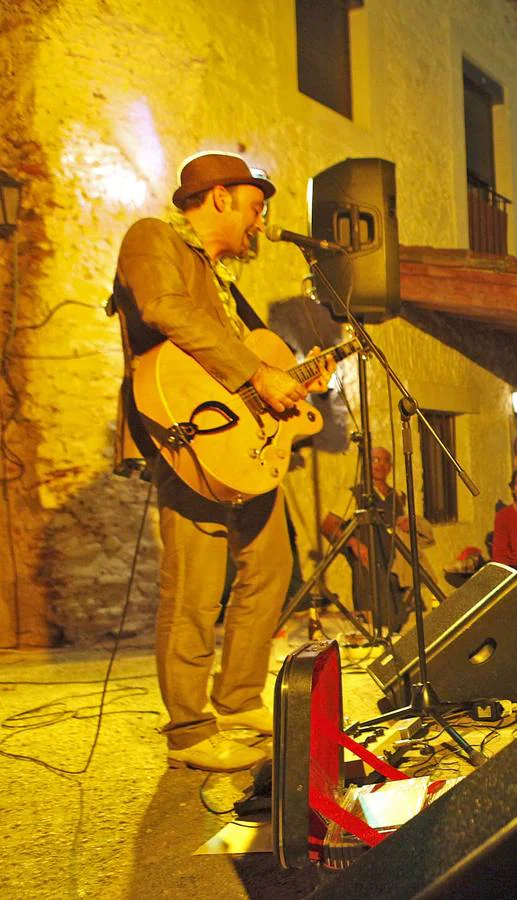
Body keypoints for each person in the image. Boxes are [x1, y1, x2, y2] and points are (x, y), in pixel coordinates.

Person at [110, 152, 335, 772]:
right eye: (256, 208)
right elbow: (164, 310)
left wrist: (298, 376)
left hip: (238, 447)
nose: (260, 224)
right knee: (196, 581)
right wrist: (257, 373)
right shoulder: (152, 238)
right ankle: (188, 729)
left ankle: (236, 699)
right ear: (219, 199)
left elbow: (260, 366)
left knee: (271, 563)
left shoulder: (222, 281)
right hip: (187, 436)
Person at [320, 446, 434, 630]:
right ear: (366, 464)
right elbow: (328, 525)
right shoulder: (354, 494)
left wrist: (409, 524)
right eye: (375, 460)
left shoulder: (398, 496)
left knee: (402, 623)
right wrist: (352, 543)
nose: (380, 465)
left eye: (385, 460)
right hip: (369, 570)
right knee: (374, 624)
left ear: (390, 466)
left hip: (396, 570)